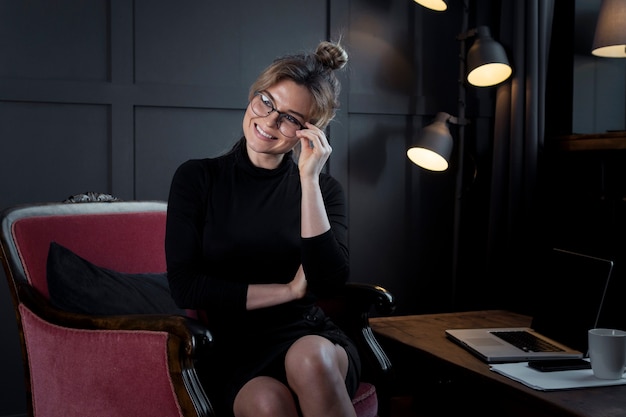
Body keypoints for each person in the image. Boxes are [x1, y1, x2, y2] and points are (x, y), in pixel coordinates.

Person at [165, 40, 359, 417]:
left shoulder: (323, 190)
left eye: (290, 118)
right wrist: (287, 290)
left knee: (312, 359)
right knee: (268, 405)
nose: (270, 121)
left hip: (307, 335)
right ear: (254, 96)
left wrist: (308, 179)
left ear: (310, 132)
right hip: (233, 347)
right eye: (267, 102)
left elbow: (329, 282)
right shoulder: (197, 178)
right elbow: (185, 286)